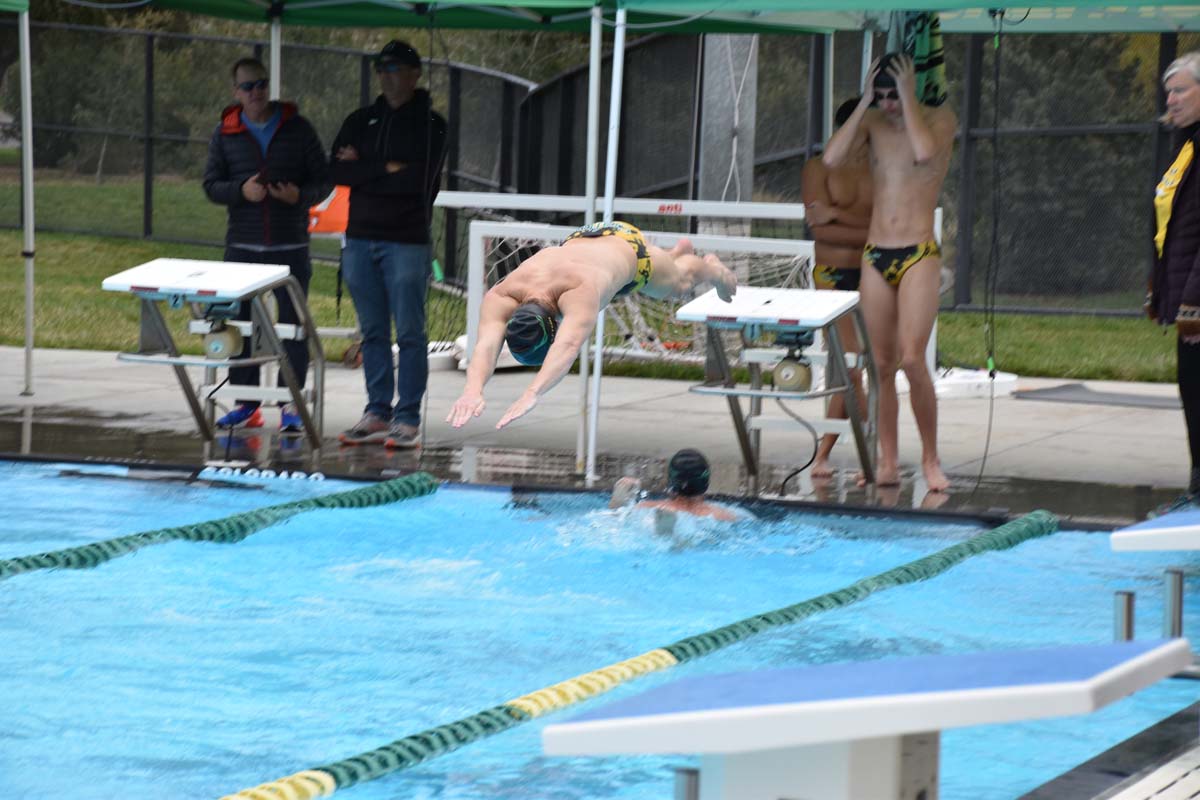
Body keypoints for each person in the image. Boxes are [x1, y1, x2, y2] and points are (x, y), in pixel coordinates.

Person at [446, 221, 738, 430]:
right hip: (588, 238)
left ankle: (712, 268)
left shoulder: (578, 291)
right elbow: (485, 345)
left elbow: (568, 345)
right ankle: (673, 254)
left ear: (554, 327)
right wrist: (473, 389)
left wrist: (532, 392)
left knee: (679, 285)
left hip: (631, 249)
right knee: (647, 273)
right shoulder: (502, 295)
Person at [822, 53, 957, 491]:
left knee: (913, 359)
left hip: (918, 253)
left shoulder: (939, 120)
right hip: (876, 253)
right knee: (880, 364)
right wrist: (864, 101)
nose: (888, 105)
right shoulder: (873, 121)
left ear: (909, 87)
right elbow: (831, 158)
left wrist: (906, 97)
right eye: (881, 96)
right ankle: (888, 460)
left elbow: (923, 152)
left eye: (892, 95)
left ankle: (931, 459)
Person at [330, 40, 448, 448]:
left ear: (414, 74)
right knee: (373, 331)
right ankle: (377, 411)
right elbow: (336, 172)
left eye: (395, 68)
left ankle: (407, 416)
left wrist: (365, 168)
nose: (387, 76)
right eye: (382, 69)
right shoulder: (360, 120)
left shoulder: (431, 124)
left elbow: (418, 181)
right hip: (360, 239)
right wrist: (387, 168)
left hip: (406, 241)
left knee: (410, 332)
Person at [202, 57, 331, 433]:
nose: (255, 92)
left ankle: (291, 404)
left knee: (293, 327)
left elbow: (323, 181)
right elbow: (211, 185)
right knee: (240, 326)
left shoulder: (298, 128)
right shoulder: (225, 133)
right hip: (242, 246)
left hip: (290, 246)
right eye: (247, 86)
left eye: (260, 84)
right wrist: (240, 191)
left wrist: (298, 197)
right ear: (235, 92)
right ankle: (246, 404)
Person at [801, 96, 873, 477]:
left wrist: (837, 215)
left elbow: (887, 228)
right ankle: (864, 452)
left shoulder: (884, 169)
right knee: (851, 366)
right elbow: (820, 229)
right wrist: (870, 230)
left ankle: (832, 453)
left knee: (870, 366)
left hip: (875, 272)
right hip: (833, 275)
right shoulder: (818, 167)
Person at [1149, 51, 1200, 499]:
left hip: (1197, 301)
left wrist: (1194, 303)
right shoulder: (1186, 147)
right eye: (1169, 91)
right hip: (1184, 290)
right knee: (1192, 389)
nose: (1171, 99)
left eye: (1181, 89)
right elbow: (1171, 225)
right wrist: (1160, 288)